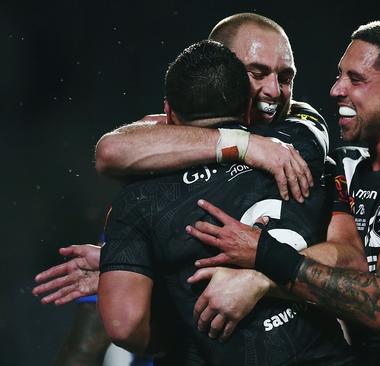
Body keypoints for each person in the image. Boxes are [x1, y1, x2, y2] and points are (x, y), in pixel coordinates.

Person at [185, 20, 380, 365]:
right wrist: (244, 143)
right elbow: (139, 140)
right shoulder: (341, 164)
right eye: (339, 75)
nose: (335, 89)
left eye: (355, 80)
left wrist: (262, 267)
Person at [98, 39, 354, 365]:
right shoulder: (301, 148)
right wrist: (243, 143)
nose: (272, 92)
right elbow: (350, 261)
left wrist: (182, 322)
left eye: (284, 77)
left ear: (168, 112)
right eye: (258, 73)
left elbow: (124, 324)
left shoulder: (135, 197)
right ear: (247, 103)